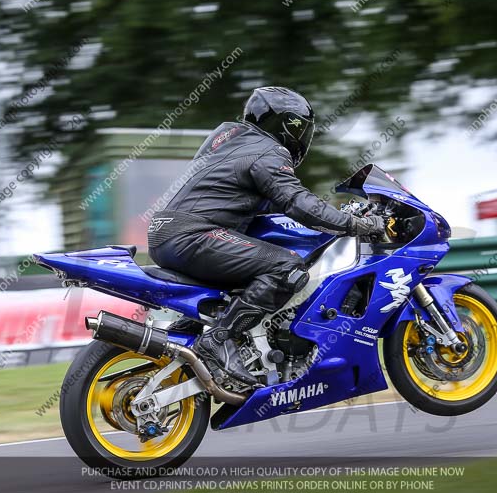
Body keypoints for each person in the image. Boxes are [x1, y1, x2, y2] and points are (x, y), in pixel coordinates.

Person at [148, 86, 384, 386]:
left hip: (167, 232)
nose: (302, 136)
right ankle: (221, 339)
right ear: (286, 124)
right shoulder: (266, 151)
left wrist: (332, 213)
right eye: (300, 127)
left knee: (248, 272)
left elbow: (268, 199)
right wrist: (355, 224)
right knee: (287, 268)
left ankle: (201, 338)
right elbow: (296, 201)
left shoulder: (232, 141)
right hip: (193, 235)